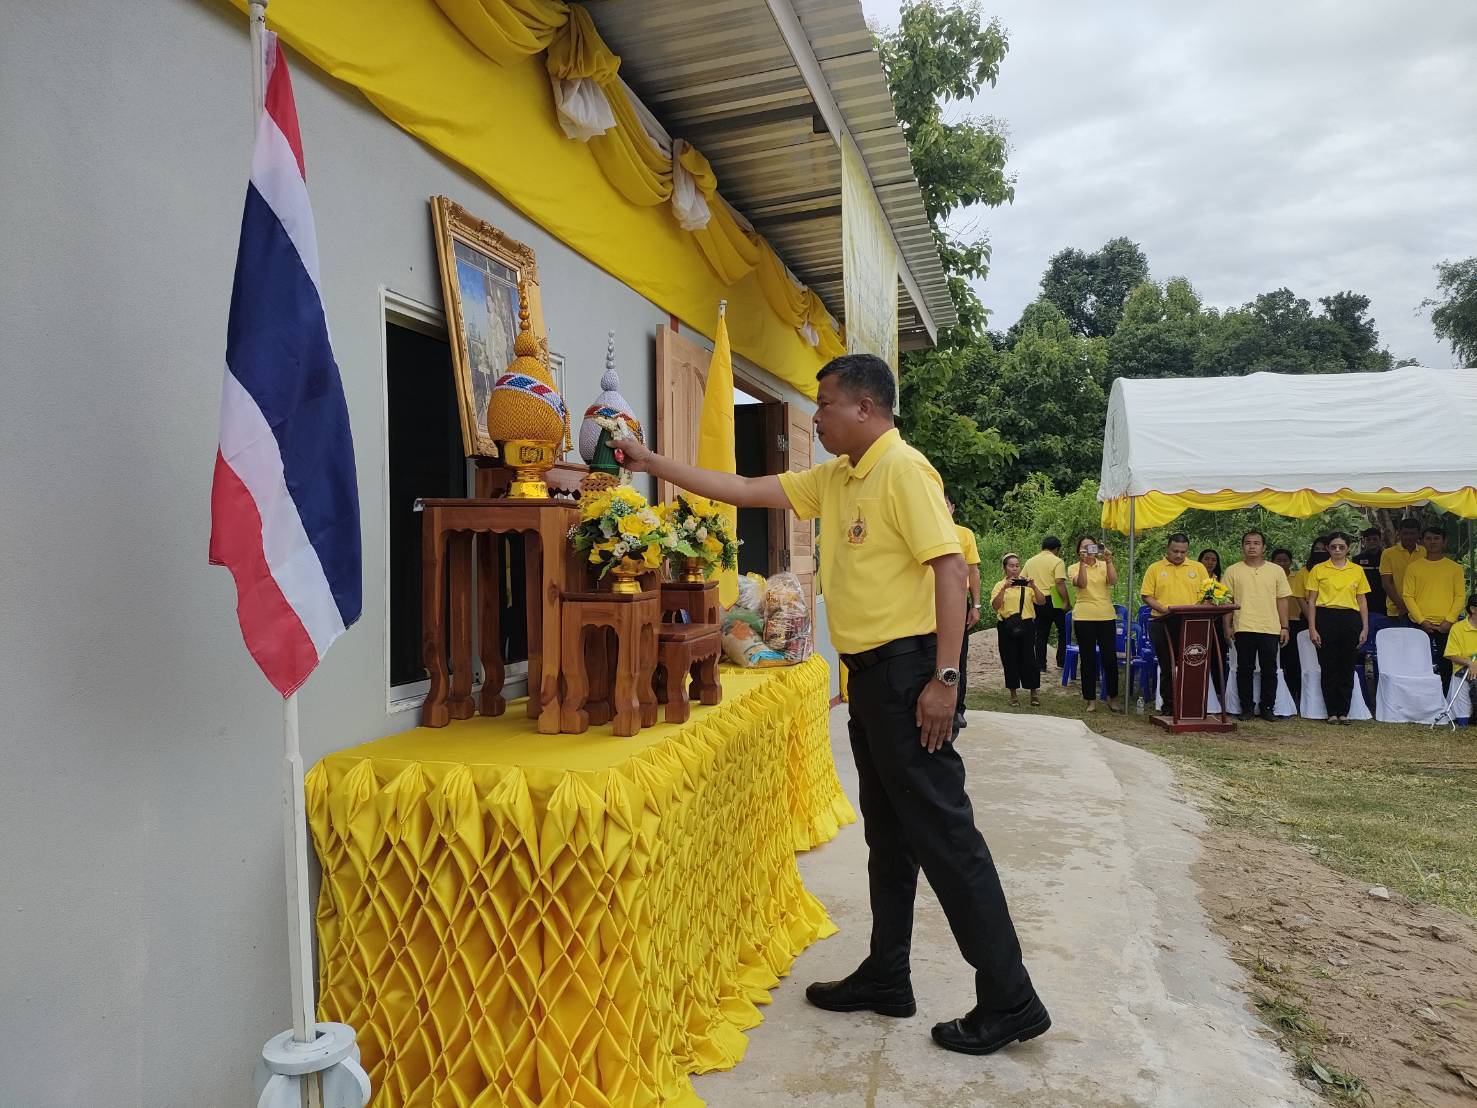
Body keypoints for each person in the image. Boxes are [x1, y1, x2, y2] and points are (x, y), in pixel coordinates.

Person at [611, 353, 1050, 1055]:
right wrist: (649, 461)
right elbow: (744, 487)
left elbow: (947, 573)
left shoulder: (902, 470)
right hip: (871, 678)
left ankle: (1009, 998)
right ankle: (887, 973)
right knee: (891, 834)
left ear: (865, 409)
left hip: (910, 675)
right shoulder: (839, 477)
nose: (812, 418)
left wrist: (944, 678)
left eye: (824, 404)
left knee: (946, 837)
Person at [1221, 531, 1292, 722]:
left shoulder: (1276, 570)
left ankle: (1268, 707)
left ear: (1264, 547)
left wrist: (1284, 627)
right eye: (1247, 543)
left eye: (1256, 543)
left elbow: (1283, 600)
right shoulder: (1232, 571)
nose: (1252, 547)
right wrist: (1227, 626)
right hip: (1243, 626)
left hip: (1270, 627)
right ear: (1242, 546)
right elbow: (1226, 601)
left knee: (1270, 669)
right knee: (1245, 669)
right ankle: (1247, 708)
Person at [1306, 533, 1370, 724]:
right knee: (1328, 666)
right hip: (1326, 617)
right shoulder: (1318, 569)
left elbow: (1362, 600)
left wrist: (1365, 627)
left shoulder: (1357, 570)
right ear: (1327, 548)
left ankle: (1344, 712)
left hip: (1350, 618)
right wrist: (1312, 627)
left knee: (1347, 665)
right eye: (1333, 547)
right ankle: (1331, 712)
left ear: (1348, 548)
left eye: (1341, 547)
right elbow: (1311, 601)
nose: (1337, 550)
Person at [1139, 533, 1205, 716]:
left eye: (1183, 552)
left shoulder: (1198, 568)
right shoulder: (1155, 568)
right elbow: (1146, 595)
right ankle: (1169, 706)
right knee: (1167, 666)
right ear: (1167, 549)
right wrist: (1163, 609)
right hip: (1163, 621)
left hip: (1190, 623)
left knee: (1191, 664)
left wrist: (1197, 609)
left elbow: (1207, 594)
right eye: (1175, 551)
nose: (1178, 555)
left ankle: (1190, 705)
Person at [1402, 526, 1466, 696]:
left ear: (1444, 542)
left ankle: (1446, 698)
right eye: (1428, 538)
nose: (1432, 542)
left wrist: (1450, 620)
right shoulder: (1413, 567)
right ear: (1422, 542)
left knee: (1447, 664)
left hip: (1446, 625)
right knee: (1417, 663)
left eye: (1436, 538)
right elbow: (1408, 596)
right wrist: (1422, 620)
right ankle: (1419, 698)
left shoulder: (1455, 568)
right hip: (1419, 624)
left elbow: (1460, 596)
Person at [1068, 537, 1120, 713]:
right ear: (1078, 550)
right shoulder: (1073, 568)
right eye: (1084, 547)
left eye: (1091, 546)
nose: (1088, 550)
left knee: (1109, 659)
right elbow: (1082, 584)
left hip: (1106, 616)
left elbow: (1113, 581)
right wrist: (1083, 563)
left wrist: (1109, 561)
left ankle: (1112, 697)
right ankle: (1090, 699)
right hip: (1084, 617)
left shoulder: (1104, 565)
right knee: (1088, 659)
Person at [947, 496, 983, 730]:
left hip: (958, 599)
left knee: (958, 656)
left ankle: (957, 709)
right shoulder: (920, 529)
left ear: (952, 507)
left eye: (945, 503)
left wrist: (976, 605)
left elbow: (973, 570)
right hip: (925, 602)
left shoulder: (964, 534)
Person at [992, 555, 1045, 708]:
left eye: (1017, 565)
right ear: (1005, 568)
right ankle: (1013, 694)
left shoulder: (1027, 585)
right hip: (1006, 625)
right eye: (1011, 566)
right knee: (1010, 659)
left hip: (1026, 624)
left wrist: (1033, 587)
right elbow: (995, 606)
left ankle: (1034, 692)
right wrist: (1004, 589)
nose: (1014, 569)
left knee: (1029, 659)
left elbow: (1041, 601)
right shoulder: (999, 585)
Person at [1023, 538, 1070, 672]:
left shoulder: (1031, 561)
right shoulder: (1057, 561)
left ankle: (1040, 665)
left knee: (1041, 633)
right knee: (1063, 630)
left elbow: (1022, 578)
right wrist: (1066, 601)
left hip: (1037, 599)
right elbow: (1059, 582)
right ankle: (1061, 661)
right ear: (1056, 549)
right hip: (1054, 598)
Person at [1271, 547, 1304, 704]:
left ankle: (1293, 692)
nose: (1282, 563)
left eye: (1285, 560)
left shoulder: (1297, 577)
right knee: (1278, 660)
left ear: (1290, 562)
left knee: (1294, 660)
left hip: (1295, 622)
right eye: (1278, 560)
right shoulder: (1269, 578)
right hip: (1274, 622)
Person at [1379, 518, 1424, 625]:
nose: (1409, 537)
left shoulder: (1425, 552)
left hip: (1422, 610)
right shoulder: (1388, 554)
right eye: (1405, 533)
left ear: (1418, 534)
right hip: (1396, 611)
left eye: (1412, 533)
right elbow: (1386, 583)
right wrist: (1401, 606)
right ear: (1399, 534)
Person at [1442, 594, 1477, 695]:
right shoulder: (1458, 628)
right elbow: (1451, 655)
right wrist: (1470, 663)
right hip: (1463, 667)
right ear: (1473, 609)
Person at [1354, 527, 1388, 627]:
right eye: (1368, 540)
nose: (1371, 542)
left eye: (1374, 539)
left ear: (1380, 540)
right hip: (1365, 599)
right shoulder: (1357, 559)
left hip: (1384, 599)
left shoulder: (1386, 557)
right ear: (1364, 541)